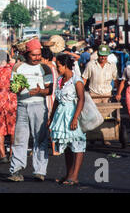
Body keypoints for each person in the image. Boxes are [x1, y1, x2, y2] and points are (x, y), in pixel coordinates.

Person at [8, 38, 52, 182]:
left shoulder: (45, 68)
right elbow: (13, 88)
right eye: (34, 55)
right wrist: (19, 88)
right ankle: (16, 170)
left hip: (39, 106)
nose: (37, 58)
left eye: (39, 55)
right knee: (20, 139)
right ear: (27, 54)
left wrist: (40, 91)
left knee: (40, 138)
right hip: (22, 106)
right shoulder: (18, 68)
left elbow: (49, 90)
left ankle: (40, 171)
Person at [48, 54, 86, 186]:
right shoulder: (60, 80)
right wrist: (51, 117)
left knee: (77, 143)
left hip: (72, 113)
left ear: (65, 66)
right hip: (61, 115)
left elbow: (81, 99)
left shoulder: (76, 80)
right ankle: (69, 174)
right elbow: (56, 101)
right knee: (68, 145)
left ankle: (75, 176)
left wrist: (75, 118)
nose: (57, 69)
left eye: (58, 66)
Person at [0, 50, 17, 163]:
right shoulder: (14, 70)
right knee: (13, 128)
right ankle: (12, 154)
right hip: (12, 100)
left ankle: (2, 155)